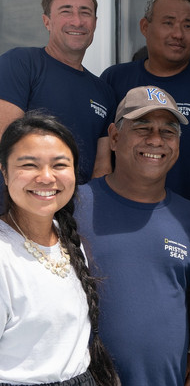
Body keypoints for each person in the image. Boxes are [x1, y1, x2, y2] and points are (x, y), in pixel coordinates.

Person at [74, 86, 190, 386]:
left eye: (167, 131)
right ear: (114, 137)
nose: (156, 140)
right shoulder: (74, 207)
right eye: (142, 128)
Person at [0, 112, 118, 386]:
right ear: (4, 172)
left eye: (59, 165)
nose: (46, 177)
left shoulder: (66, 236)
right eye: (29, 165)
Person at [101, 0, 190, 225]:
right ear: (145, 27)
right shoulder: (115, 79)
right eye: (168, 23)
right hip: (123, 216)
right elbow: (102, 154)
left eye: (188, 26)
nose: (178, 34)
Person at [0, 0, 116, 185]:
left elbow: (102, 168)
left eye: (85, 12)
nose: (77, 21)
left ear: (95, 23)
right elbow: (5, 145)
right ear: (47, 21)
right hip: (21, 201)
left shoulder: (103, 92)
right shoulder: (20, 63)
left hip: (77, 205)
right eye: (66, 11)